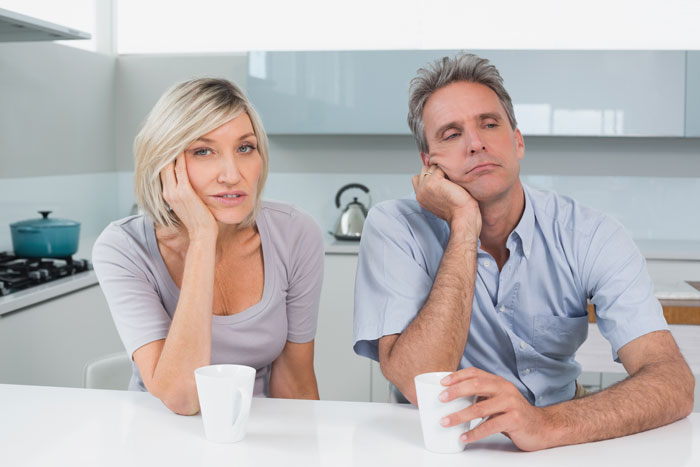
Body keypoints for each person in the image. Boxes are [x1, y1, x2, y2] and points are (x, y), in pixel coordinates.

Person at [353, 53, 694, 451]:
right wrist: (464, 224)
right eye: (451, 134)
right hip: (437, 441)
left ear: (517, 141)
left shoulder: (590, 234)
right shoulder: (395, 227)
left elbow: (673, 381)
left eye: (489, 124)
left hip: (560, 433)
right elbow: (418, 380)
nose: (476, 143)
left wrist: (544, 423)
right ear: (430, 165)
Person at [93, 78, 324, 415]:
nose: (232, 174)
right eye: (203, 151)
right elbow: (182, 397)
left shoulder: (295, 233)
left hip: (256, 433)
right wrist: (203, 237)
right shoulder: (123, 248)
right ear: (165, 165)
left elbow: (296, 385)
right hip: (158, 436)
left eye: (245, 148)